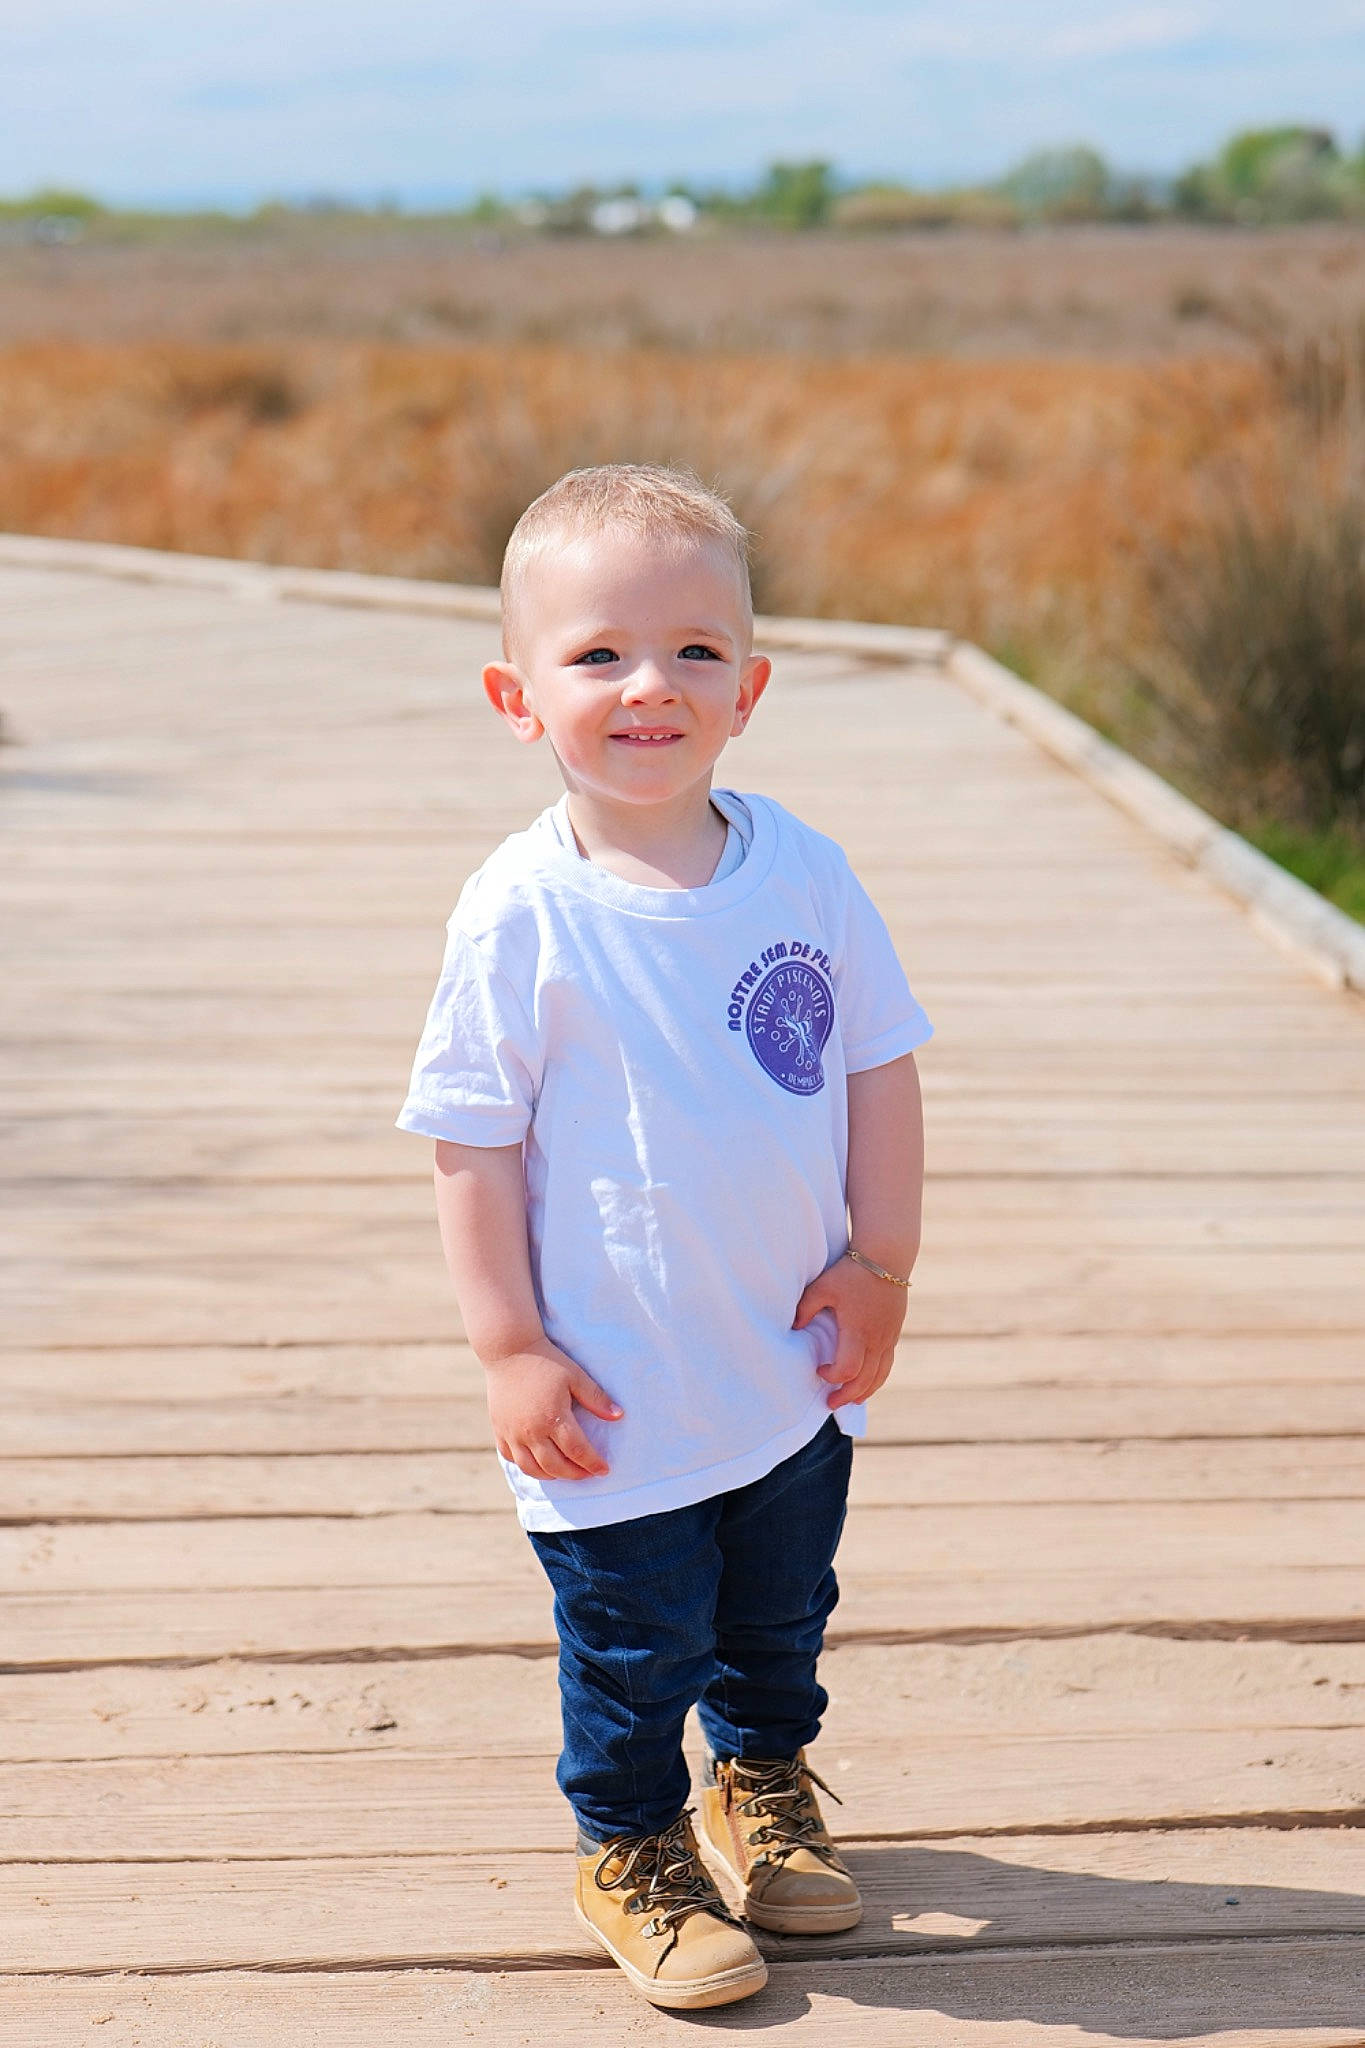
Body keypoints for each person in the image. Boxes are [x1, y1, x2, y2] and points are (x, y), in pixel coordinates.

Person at [397, 463, 930, 2011]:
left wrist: (881, 1263)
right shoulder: (520, 912)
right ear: (517, 698)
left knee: (778, 1615)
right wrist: (508, 1346)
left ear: (747, 689)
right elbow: (469, 1140)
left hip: (785, 1358)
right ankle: (629, 1843)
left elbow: (878, 1066)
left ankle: (759, 1784)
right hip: (613, 1385)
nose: (651, 685)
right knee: (633, 1648)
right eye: (598, 655)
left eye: (695, 650)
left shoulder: (803, 871)